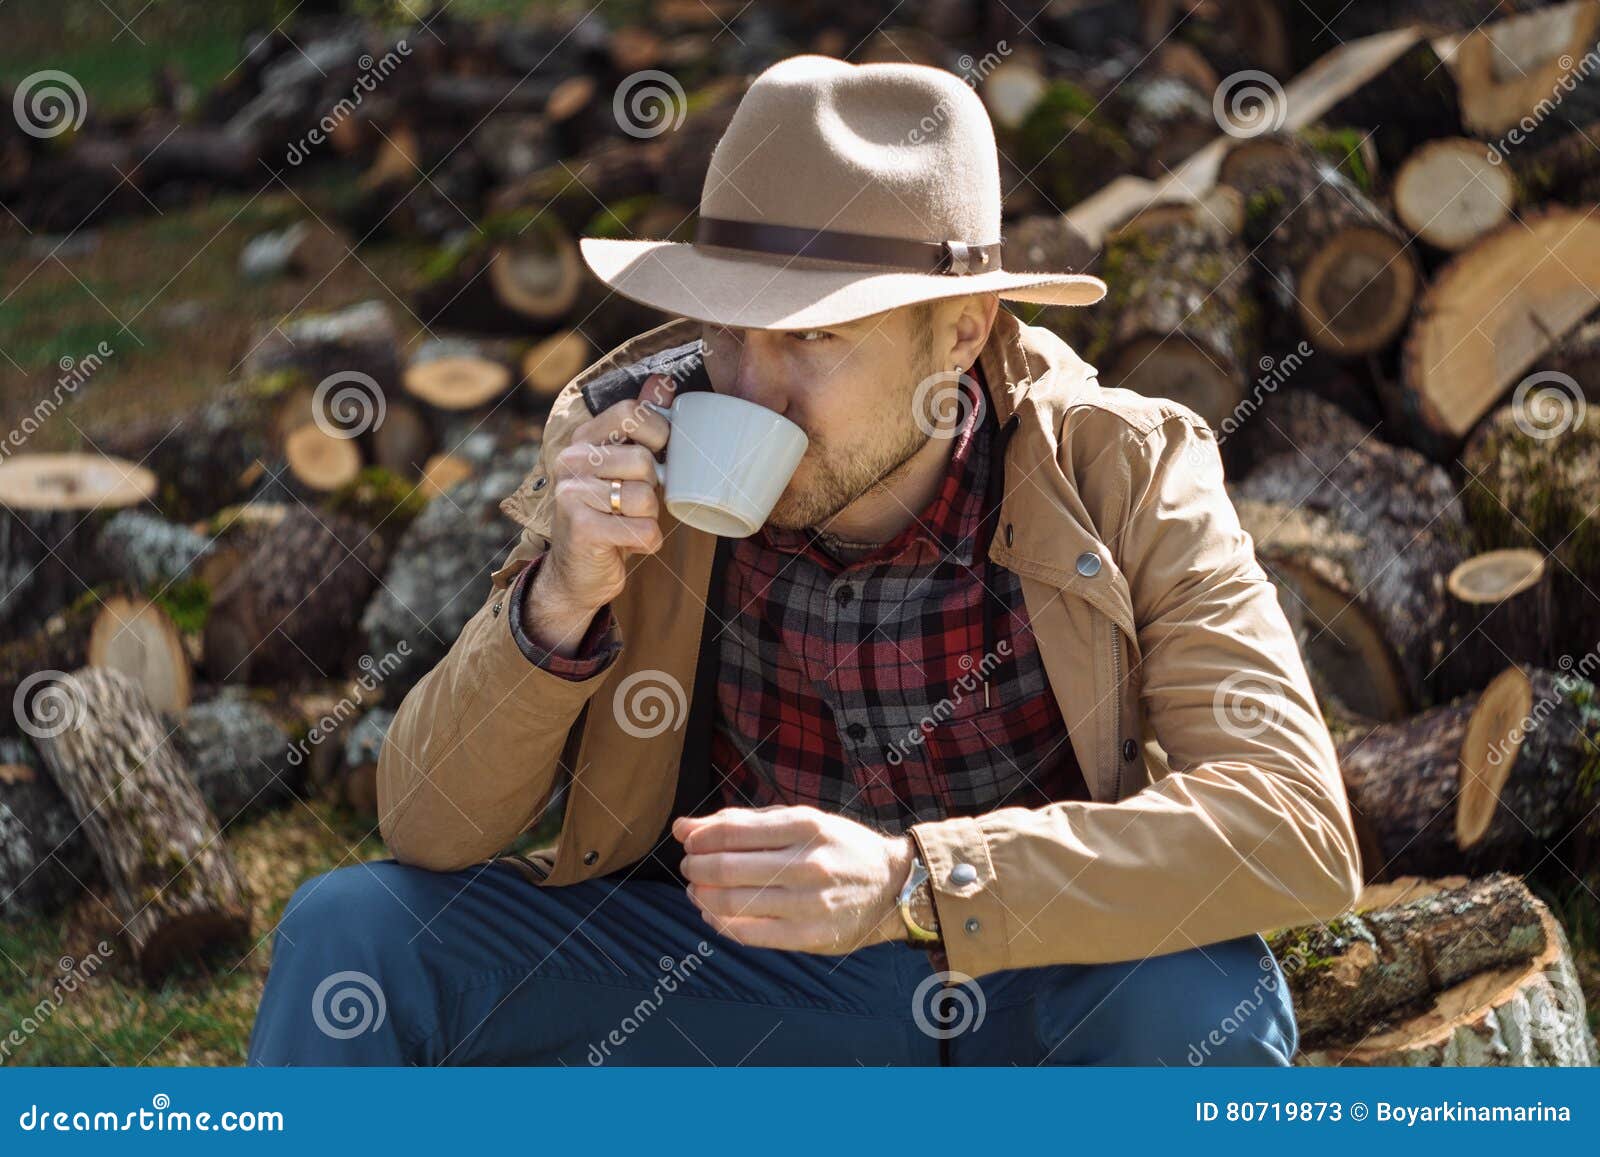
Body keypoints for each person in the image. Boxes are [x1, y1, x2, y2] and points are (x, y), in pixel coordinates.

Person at [248, 54, 1360, 1067]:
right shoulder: (638, 432)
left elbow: (1296, 826)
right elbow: (427, 825)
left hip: (1037, 980)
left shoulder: (1119, 464)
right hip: (739, 986)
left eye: (813, 337)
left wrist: (916, 882)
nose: (750, 385)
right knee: (354, 936)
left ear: (963, 329)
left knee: (1190, 993)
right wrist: (557, 601)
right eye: (729, 326)